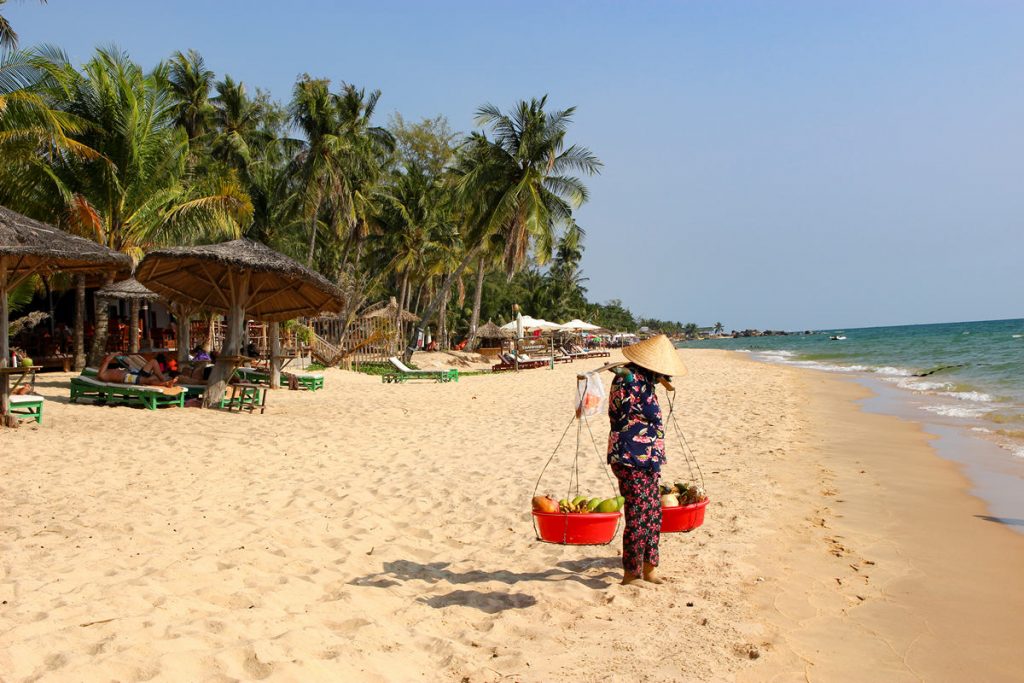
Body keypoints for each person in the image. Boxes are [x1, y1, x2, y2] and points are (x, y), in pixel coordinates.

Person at [605, 334, 687, 585]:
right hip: (629, 457)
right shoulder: (626, 379)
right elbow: (620, 412)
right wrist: (626, 378)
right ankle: (631, 574)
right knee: (639, 514)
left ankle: (650, 568)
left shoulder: (647, 382)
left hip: (649, 458)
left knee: (653, 514)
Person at [96, 354, 176, 387]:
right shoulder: (102, 375)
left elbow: (106, 361)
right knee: (148, 380)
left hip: (133, 373)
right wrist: (115, 353)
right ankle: (165, 383)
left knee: (153, 362)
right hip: (127, 378)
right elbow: (107, 360)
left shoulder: (105, 373)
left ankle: (164, 380)